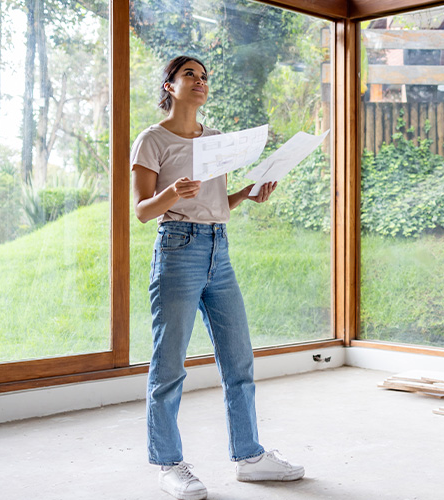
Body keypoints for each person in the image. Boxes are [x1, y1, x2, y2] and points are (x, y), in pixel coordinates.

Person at [130, 55, 304, 500]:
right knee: (169, 365)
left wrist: (247, 192)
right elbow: (142, 211)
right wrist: (171, 192)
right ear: (169, 85)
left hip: (218, 249)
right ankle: (169, 464)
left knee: (238, 359)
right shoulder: (152, 140)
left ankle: (249, 457)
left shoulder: (218, 140)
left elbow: (216, 202)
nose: (200, 81)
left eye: (205, 76)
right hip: (177, 248)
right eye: (190, 74)